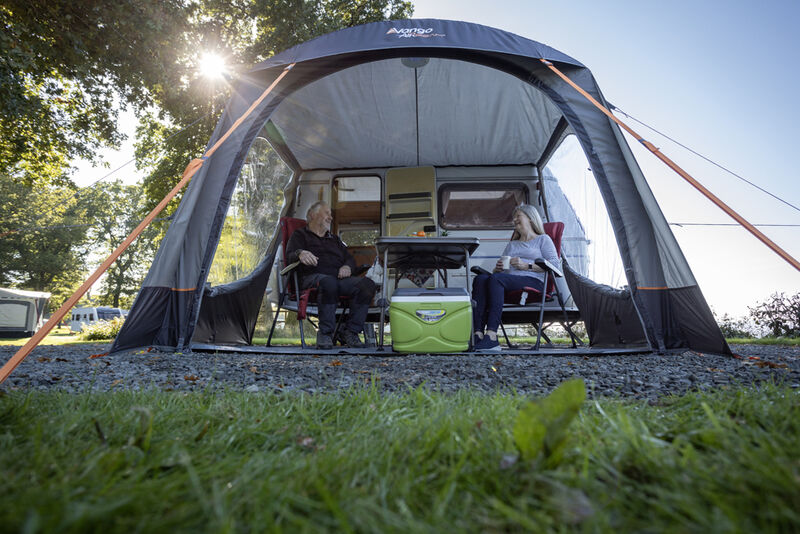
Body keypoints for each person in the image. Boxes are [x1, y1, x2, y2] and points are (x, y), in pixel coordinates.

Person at [285, 201, 377, 349]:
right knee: (329, 283)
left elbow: (349, 259)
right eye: (327, 213)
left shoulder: (334, 239)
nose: (331, 217)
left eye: (331, 214)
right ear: (312, 215)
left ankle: (351, 332)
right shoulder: (300, 235)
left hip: (337, 279)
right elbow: (289, 255)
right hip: (311, 277)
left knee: (367, 285)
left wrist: (347, 266)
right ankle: (325, 333)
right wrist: (300, 253)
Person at [472, 204, 559, 352]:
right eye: (514, 217)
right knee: (480, 279)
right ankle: (478, 334)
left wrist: (527, 266)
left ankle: (491, 336)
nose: (514, 220)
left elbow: (555, 266)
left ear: (530, 218)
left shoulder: (543, 239)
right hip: (508, 281)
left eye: (518, 216)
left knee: (496, 279)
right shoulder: (512, 245)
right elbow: (501, 272)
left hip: (534, 281)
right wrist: (497, 269)